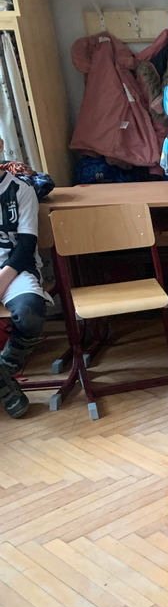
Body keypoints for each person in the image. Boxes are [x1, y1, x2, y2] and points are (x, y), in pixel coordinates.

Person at [0, 139, 50, 419]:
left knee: (30, 311)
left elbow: (26, 244)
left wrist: (2, 280)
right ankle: (4, 382)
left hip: (16, 267)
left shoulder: (21, 189)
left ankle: (5, 368)